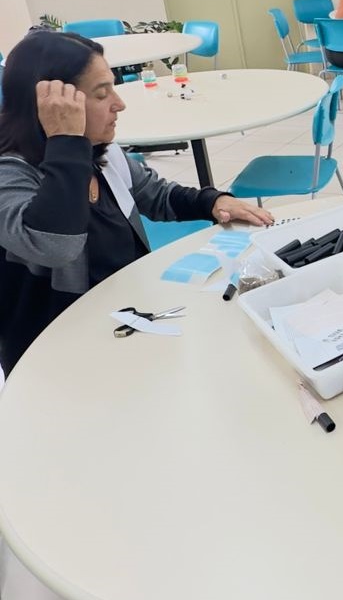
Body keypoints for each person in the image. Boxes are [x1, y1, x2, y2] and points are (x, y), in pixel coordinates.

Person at [0, 31, 273, 374]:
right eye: (102, 94)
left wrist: (213, 201)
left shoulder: (101, 153)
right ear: (54, 106)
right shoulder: (10, 175)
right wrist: (66, 140)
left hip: (128, 324)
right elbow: (55, 245)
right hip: (57, 359)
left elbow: (156, 196)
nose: (119, 103)